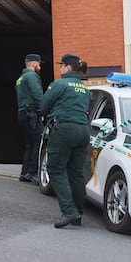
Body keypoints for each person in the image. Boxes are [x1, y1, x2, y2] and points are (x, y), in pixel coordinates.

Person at [40, 53, 90, 228]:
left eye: (61, 65)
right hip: (84, 131)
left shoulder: (59, 84)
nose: (60, 68)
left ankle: (68, 211)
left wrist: (42, 116)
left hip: (65, 129)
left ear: (68, 67)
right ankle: (78, 214)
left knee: (55, 168)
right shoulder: (85, 89)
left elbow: (43, 106)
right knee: (75, 173)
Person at [15, 54, 45, 185]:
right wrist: (44, 110)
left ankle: (24, 172)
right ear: (34, 64)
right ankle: (32, 172)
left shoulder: (21, 78)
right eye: (39, 64)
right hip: (31, 114)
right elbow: (38, 95)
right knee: (38, 141)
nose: (40, 67)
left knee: (29, 144)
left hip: (22, 113)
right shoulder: (32, 76)